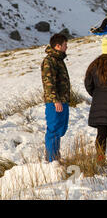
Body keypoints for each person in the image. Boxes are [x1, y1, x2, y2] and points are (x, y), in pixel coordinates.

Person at [41, 33, 71, 162]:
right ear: (58, 46)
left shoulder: (58, 59)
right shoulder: (49, 61)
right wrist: (55, 100)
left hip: (62, 100)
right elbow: (49, 82)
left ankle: (55, 156)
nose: (67, 47)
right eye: (65, 45)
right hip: (55, 102)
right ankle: (52, 159)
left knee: (60, 129)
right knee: (53, 129)